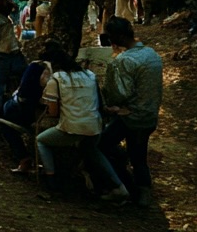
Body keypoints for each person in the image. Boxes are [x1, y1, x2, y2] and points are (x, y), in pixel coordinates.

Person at [35, 42, 126, 200]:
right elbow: (98, 103)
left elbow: (53, 112)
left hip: (72, 127)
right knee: (91, 149)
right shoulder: (89, 75)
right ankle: (118, 186)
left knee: (41, 140)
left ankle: (51, 181)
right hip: (94, 126)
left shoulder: (56, 79)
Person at [99, 17, 163, 208]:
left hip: (132, 116)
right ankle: (143, 192)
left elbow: (119, 93)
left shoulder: (124, 60)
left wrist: (109, 104)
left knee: (101, 145)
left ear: (116, 37)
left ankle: (122, 185)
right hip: (150, 115)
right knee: (139, 154)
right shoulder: (152, 54)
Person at [0, 61, 51, 175]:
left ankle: (24, 159)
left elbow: (24, 93)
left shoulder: (37, 66)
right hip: (43, 108)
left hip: (32, 110)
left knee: (4, 119)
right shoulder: (67, 73)